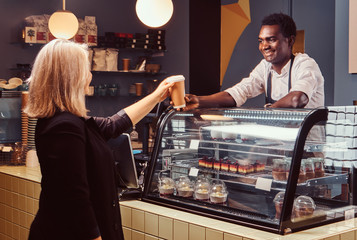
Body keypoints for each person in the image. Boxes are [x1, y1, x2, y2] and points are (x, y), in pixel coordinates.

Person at [24, 39, 174, 240]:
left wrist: (157, 96)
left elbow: (115, 124)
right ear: (71, 77)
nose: (90, 75)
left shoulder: (70, 121)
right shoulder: (64, 127)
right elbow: (74, 198)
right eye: (85, 69)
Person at [183, 13, 324, 110]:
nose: (264, 46)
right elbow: (239, 92)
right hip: (280, 146)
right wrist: (199, 101)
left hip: (308, 149)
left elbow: (297, 100)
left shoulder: (304, 64)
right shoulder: (265, 67)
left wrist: (267, 113)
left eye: (272, 39)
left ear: (290, 40)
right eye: (261, 41)